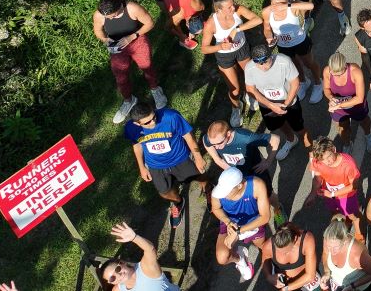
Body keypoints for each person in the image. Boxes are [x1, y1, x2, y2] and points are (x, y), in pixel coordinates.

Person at [124, 99, 205, 227]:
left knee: (199, 175)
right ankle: (178, 202)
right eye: (147, 122)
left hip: (179, 158)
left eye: (154, 117)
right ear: (137, 124)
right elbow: (137, 146)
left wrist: (198, 157)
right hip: (156, 165)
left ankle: (209, 190)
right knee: (164, 192)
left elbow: (188, 136)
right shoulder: (131, 128)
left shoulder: (171, 117)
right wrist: (142, 167)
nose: (153, 122)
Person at [94, 0, 164, 123]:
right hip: (117, 46)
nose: (108, 19)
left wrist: (132, 37)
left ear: (119, 6)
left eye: (112, 16)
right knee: (120, 76)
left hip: (137, 41)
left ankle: (155, 89)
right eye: (106, 18)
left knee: (146, 67)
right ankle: (129, 100)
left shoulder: (132, 8)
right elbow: (98, 30)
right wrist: (106, 40)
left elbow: (150, 23)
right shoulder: (100, 14)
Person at [244, 43, 308, 160]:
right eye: (259, 64)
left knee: (299, 127)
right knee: (279, 124)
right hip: (267, 104)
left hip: (289, 101)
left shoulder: (284, 61)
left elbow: (295, 83)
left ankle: (312, 151)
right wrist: (271, 105)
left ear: (271, 56)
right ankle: (291, 139)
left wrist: (285, 105)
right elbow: (250, 89)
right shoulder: (249, 67)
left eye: (266, 62)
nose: (263, 67)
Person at [209, 167, 271, 280]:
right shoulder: (218, 193)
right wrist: (228, 222)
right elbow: (216, 209)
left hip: (253, 222)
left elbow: (265, 217)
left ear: (239, 185)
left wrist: (238, 232)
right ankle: (240, 259)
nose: (222, 195)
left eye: (226, 191)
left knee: (262, 246)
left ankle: (270, 266)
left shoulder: (257, 185)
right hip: (230, 222)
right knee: (222, 258)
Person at [99, 222, 178, 291]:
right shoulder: (118, 289)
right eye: (112, 278)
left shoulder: (145, 270)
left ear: (122, 263)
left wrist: (134, 237)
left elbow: (150, 249)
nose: (119, 275)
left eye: (117, 269)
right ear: (111, 282)